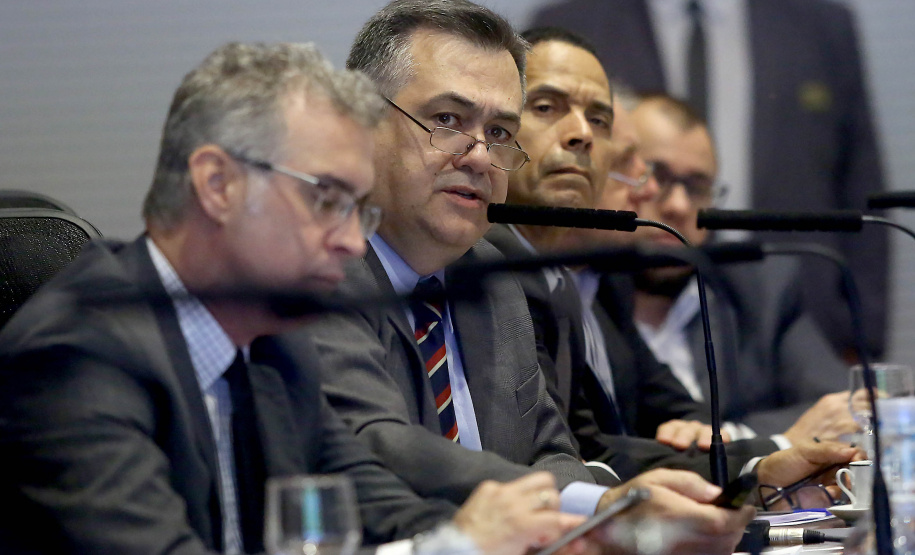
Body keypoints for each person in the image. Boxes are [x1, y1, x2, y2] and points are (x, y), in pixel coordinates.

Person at [0, 41, 589, 555]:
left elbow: (383, 508)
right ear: (218, 185)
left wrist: (537, 540)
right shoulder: (75, 357)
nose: (351, 240)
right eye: (328, 199)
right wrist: (459, 546)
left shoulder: (274, 349)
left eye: (360, 210)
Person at [301, 2, 762, 552]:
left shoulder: (493, 278)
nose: (478, 155)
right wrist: (604, 505)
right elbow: (378, 442)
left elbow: (549, 451)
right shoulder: (318, 271)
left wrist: (622, 514)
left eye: (499, 131)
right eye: (448, 120)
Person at [484, 26, 857, 488]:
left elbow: (678, 418)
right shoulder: (498, 273)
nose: (651, 190)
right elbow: (582, 452)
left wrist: (751, 458)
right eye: (637, 167)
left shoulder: (588, 288)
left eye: (598, 122)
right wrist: (769, 457)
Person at [528, 0, 888, 361]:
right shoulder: (571, 23)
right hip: (625, 288)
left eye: (697, 187)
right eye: (650, 172)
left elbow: (862, 188)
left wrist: (862, 340)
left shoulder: (820, 25)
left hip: (804, 321)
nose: (672, 201)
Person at [619, 92, 854, 438]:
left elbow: (839, 406)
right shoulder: (580, 295)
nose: (679, 207)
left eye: (697, 188)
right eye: (658, 177)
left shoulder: (759, 287)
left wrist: (730, 439)